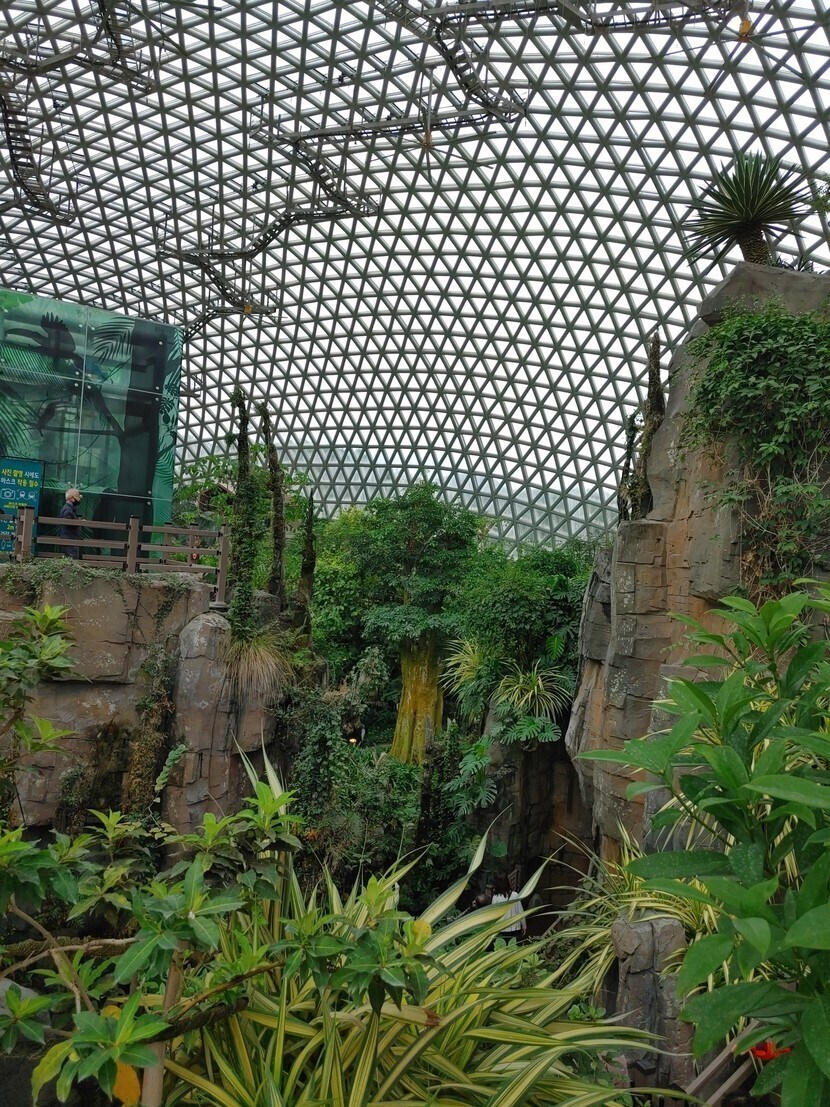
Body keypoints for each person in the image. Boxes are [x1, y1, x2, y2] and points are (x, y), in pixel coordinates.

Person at [491, 873, 527, 943]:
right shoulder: (515, 895)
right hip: (515, 929)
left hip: (501, 929)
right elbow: (521, 912)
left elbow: (493, 915)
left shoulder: (495, 897)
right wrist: (524, 926)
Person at [59, 488, 82, 559]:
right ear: (72, 498)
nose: (78, 500)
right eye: (77, 497)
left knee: (70, 559)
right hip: (70, 539)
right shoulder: (68, 509)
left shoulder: (69, 509)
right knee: (72, 559)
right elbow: (67, 523)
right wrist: (79, 522)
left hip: (70, 538)